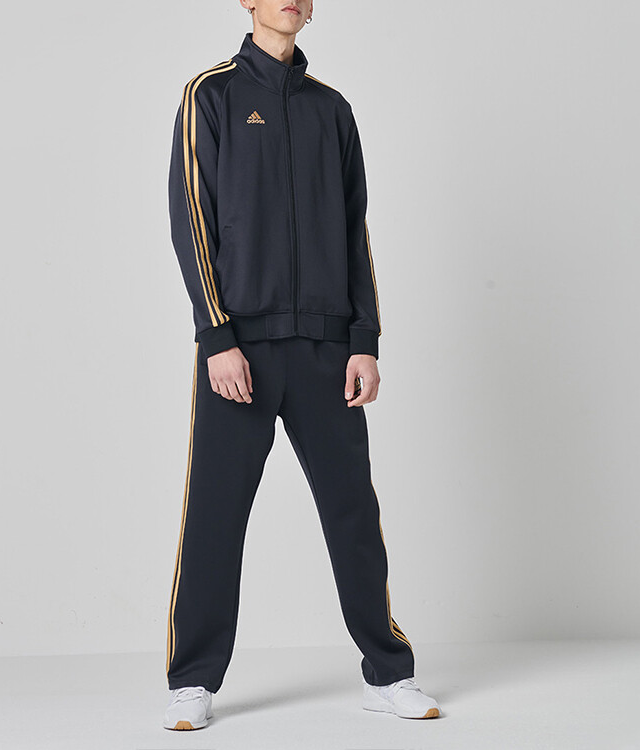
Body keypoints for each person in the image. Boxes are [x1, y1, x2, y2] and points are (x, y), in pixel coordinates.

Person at [163, 0, 441, 730]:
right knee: (215, 516)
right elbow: (192, 219)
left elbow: (354, 231)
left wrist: (364, 339)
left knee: (353, 515)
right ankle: (192, 680)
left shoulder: (332, 110)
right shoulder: (211, 95)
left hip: (326, 349)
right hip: (241, 350)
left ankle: (388, 673)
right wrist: (217, 337)